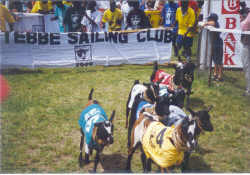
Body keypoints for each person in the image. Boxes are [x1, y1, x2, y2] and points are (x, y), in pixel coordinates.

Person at [202, 13, 223, 81]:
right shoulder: (212, 23)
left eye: (210, 18)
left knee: (219, 60)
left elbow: (212, 23)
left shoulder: (215, 23)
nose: (209, 19)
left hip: (218, 43)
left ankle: (219, 75)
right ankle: (215, 74)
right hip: (214, 43)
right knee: (215, 60)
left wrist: (205, 23)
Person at [240, 6, 250, 96]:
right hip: (246, 44)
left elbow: (244, 25)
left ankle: (249, 90)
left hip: (247, 45)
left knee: (247, 67)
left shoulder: (246, 21)